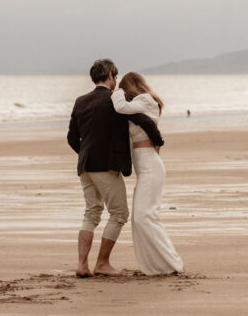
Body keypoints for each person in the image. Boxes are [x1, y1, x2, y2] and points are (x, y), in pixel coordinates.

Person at [67, 59, 164, 277]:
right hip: (105, 167)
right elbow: (143, 121)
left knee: (91, 213)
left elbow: (72, 137)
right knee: (119, 214)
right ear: (110, 75)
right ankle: (102, 263)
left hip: (84, 166)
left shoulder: (80, 101)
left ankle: (82, 265)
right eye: (115, 76)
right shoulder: (114, 100)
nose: (116, 81)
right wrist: (159, 140)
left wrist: (86, 155)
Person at [111, 72, 185, 275]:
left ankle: (173, 262)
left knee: (145, 217)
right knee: (139, 218)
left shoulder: (145, 100)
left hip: (151, 168)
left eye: (124, 90)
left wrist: (115, 91)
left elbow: (120, 106)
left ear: (130, 88)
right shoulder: (139, 107)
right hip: (144, 169)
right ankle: (156, 265)